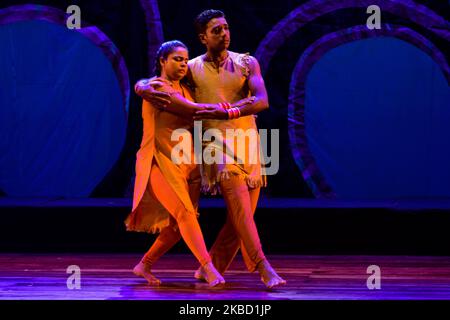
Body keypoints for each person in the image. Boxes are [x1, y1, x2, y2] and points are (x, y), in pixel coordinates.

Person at [135, 10, 286, 289]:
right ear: (203, 37)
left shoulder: (246, 63)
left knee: (241, 218)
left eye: (226, 28)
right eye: (216, 30)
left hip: (248, 142)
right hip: (215, 147)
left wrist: (232, 112)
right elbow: (160, 81)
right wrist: (141, 86)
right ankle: (263, 267)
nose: (224, 34)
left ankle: (211, 266)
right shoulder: (190, 67)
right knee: (240, 209)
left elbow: (262, 100)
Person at [126, 40, 251, 287]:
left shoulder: (185, 88)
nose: (183, 64)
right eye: (177, 59)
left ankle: (144, 264)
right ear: (162, 61)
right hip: (159, 160)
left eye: (185, 60)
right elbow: (192, 111)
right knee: (184, 214)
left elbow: (195, 105)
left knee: (176, 225)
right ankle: (208, 267)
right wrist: (230, 109)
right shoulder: (157, 88)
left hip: (186, 161)